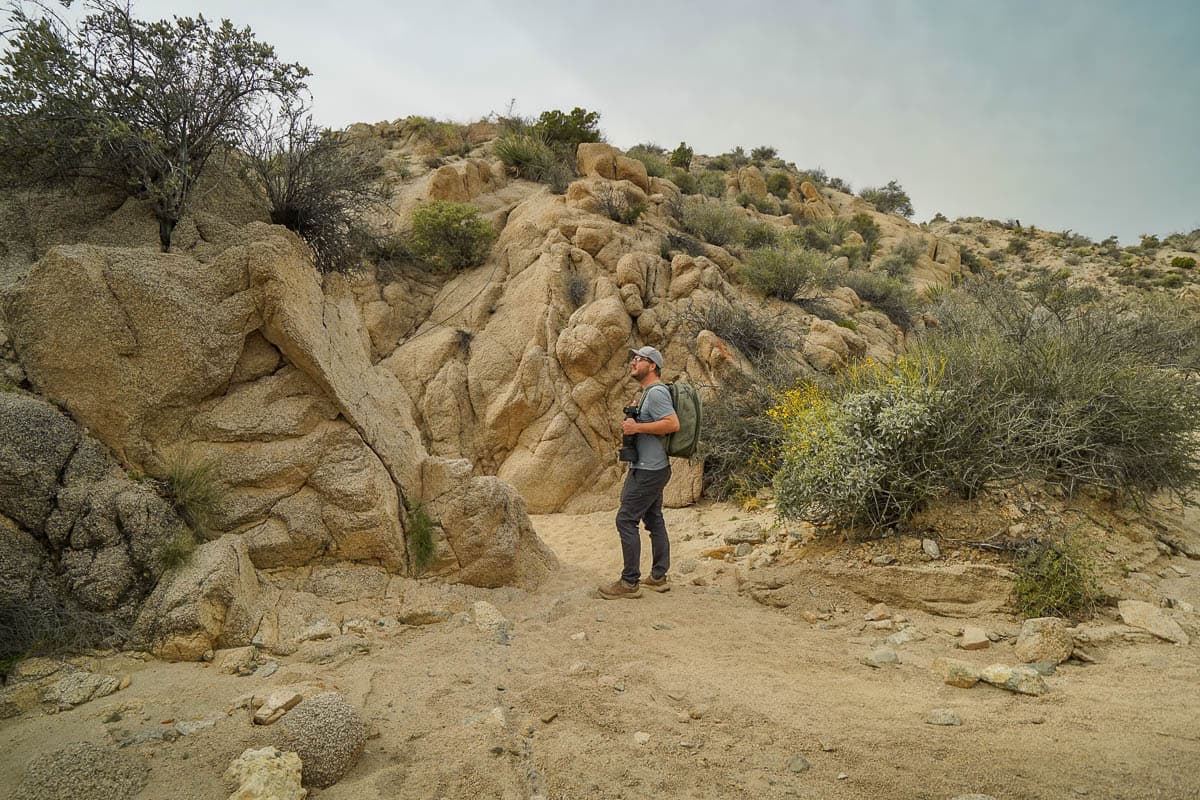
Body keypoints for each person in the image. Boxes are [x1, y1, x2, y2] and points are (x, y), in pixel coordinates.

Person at [599, 346, 680, 599]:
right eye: (633, 358)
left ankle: (629, 582)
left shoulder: (656, 393)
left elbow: (672, 423)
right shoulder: (648, 393)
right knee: (654, 518)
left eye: (639, 359)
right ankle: (658, 577)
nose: (633, 362)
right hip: (652, 467)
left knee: (625, 519)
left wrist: (637, 428)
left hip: (648, 470)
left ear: (652, 366)